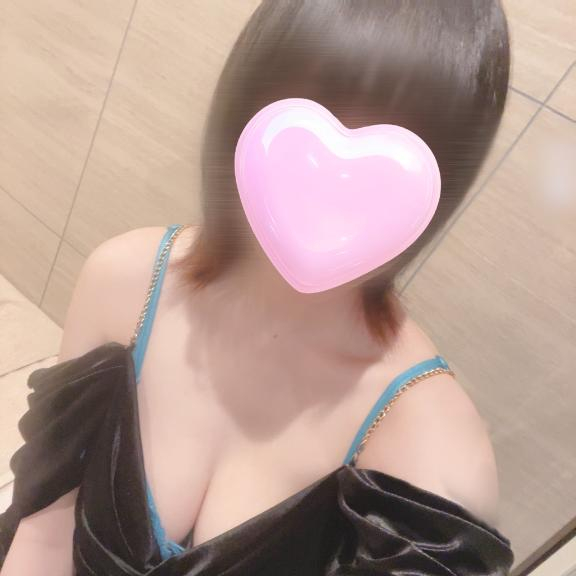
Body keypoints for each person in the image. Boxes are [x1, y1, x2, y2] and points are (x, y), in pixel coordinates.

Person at [0, 1, 514, 574]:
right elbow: (44, 535)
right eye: (307, 121)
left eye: (390, 152)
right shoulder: (124, 281)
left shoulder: (432, 455)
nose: (331, 185)